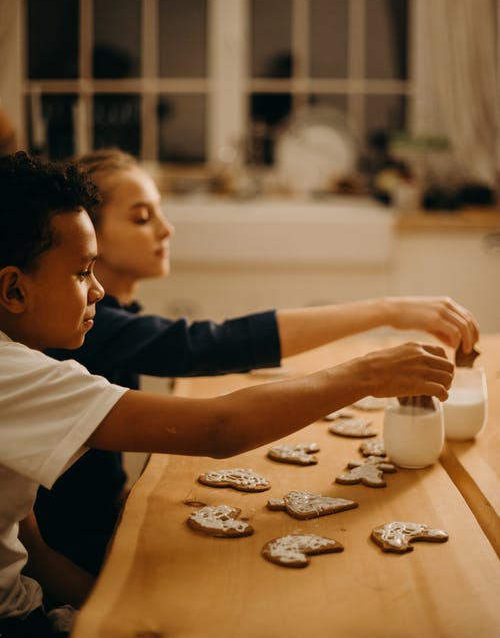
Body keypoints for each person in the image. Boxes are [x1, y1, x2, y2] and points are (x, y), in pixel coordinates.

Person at [0, 151, 463, 636]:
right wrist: (369, 372)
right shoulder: (17, 374)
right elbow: (219, 426)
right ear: (13, 290)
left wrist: (122, 612)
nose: (95, 291)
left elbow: (31, 551)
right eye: (81, 272)